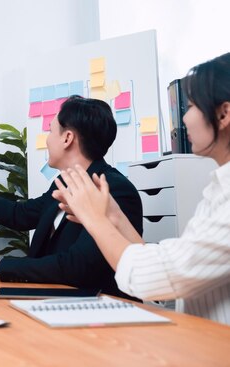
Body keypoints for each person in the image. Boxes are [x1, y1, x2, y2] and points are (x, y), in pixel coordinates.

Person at [53, 53, 230, 325]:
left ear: (223, 113)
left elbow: (155, 278)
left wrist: (95, 220)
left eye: (192, 105)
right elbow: (172, 284)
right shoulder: (217, 189)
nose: (183, 119)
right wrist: (113, 216)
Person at [0, 96, 143, 299]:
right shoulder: (64, 184)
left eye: (50, 131)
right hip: (53, 302)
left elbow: (77, 267)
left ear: (67, 138)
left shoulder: (114, 191)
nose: (47, 140)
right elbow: (18, 215)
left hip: (100, 316)